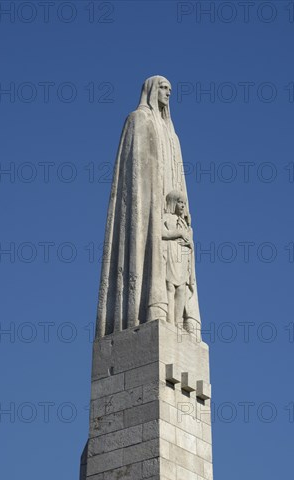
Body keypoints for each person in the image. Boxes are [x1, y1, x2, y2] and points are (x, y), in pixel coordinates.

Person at [96, 76, 201, 338]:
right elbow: (135, 178)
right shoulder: (138, 120)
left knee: (177, 279)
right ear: (152, 90)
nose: (167, 93)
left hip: (170, 214)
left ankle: (181, 319)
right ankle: (149, 309)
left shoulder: (173, 135)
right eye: (163, 88)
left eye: (170, 90)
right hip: (149, 209)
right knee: (153, 267)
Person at [162, 190, 195, 329]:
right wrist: (179, 233)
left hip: (183, 256)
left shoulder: (185, 223)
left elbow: (190, 241)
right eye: (180, 202)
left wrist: (190, 244)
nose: (182, 206)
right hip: (172, 251)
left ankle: (178, 322)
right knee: (170, 285)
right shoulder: (167, 217)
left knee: (181, 288)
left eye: (184, 203)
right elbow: (162, 233)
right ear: (173, 202)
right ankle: (169, 320)